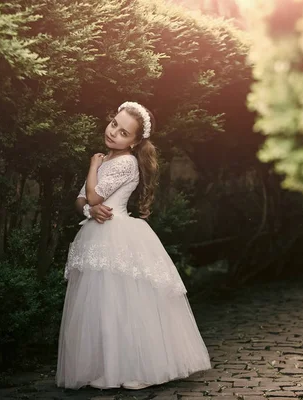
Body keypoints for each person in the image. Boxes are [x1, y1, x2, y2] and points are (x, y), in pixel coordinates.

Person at [55, 101, 211, 390]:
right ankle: (109, 367)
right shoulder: (106, 160)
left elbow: (92, 196)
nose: (114, 132)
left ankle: (138, 368)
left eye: (124, 132)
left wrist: (92, 168)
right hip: (97, 236)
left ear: (135, 141)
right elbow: (81, 200)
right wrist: (89, 210)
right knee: (104, 305)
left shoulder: (125, 163)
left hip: (118, 237)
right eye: (114, 124)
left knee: (125, 304)